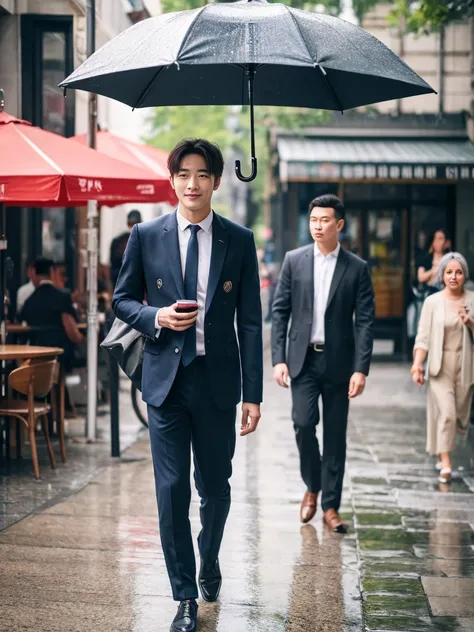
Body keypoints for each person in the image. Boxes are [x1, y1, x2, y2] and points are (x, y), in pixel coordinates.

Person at [112, 138, 263, 632]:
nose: (192, 183)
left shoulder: (238, 240)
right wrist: (157, 316)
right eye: (184, 174)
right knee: (171, 489)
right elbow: (122, 301)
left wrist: (253, 395)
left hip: (218, 383)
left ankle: (210, 558)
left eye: (202, 174)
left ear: (217, 181)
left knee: (214, 486)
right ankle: (183, 597)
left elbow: (252, 323)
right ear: (172, 180)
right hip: (165, 385)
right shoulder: (146, 235)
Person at [271, 194, 375, 533]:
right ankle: (312, 485)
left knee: (335, 437)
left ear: (339, 225)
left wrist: (361, 368)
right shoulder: (294, 260)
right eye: (314, 220)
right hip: (302, 361)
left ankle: (331, 507)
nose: (318, 226)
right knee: (303, 424)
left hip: (339, 363)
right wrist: (279, 359)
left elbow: (365, 322)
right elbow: (280, 312)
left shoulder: (357, 268)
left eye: (325, 220)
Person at [412, 252, 474, 484]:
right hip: (439, 366)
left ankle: (443, 449)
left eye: (458, 272)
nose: (454, 276)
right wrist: (417, 364)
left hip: (466, 364)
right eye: (449, 272)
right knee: (447, 413)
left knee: (458, 416)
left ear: (464, 275)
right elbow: (423, 336)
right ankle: (445, 462)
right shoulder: (432, 302)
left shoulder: (472, 299)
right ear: (442, 275)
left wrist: (469, 322)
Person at [19, 259, 84, 372]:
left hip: (36, 357)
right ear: (52, 272)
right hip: (61, 356)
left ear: (35, 274)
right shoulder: (62, 297)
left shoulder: (29, 301)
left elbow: (21, 324)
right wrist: (83, 341)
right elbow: (71, 331)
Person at [109, 209, 143, 286]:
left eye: (135, 224)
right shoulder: (118, 241)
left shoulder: (143, 240)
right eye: (131, 224)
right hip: (121, 282)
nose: (132, 227)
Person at [416, 229, 450, 293]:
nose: (438, 241)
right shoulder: (426, 258)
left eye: (441, 238)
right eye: (436, 238)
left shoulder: (449, 258)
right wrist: (434, 270)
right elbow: (420, 277)